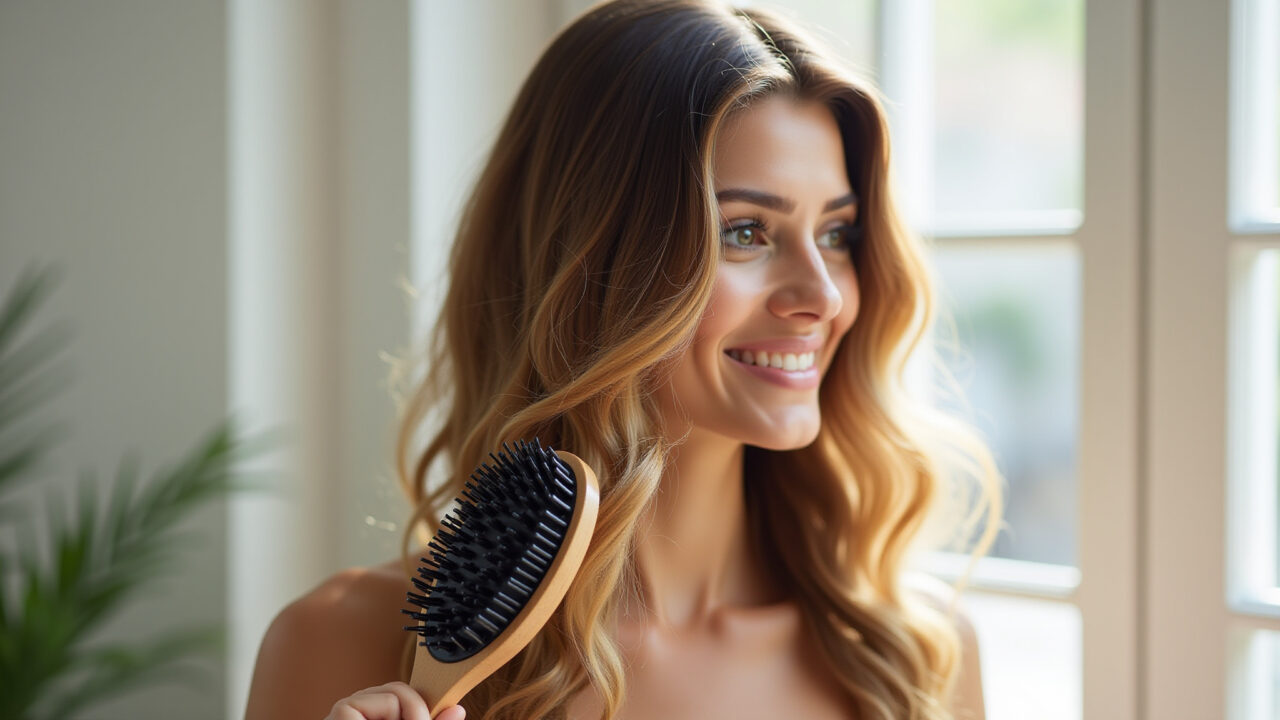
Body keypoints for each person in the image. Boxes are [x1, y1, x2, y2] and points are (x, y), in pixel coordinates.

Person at [244, 1, 1003, 718]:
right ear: (592, 266)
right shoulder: (347, 645)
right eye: (746, 231)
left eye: (837, 234)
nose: (824, 297)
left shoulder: (917, 657)